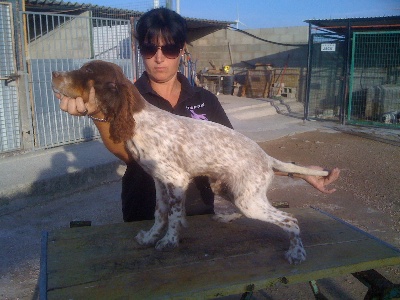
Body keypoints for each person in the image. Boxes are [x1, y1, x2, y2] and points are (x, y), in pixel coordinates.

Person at [57, 8, 340, 222]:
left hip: (200, 217)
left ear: (181, 50)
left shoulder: (204, 100)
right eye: (149, 47)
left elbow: (239, 155)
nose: (158, 57)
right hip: (146, 215)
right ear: (139, 50)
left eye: (168, 48)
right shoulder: (128, 99)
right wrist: (99, 115)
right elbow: (129, 155)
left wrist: (299, 172)